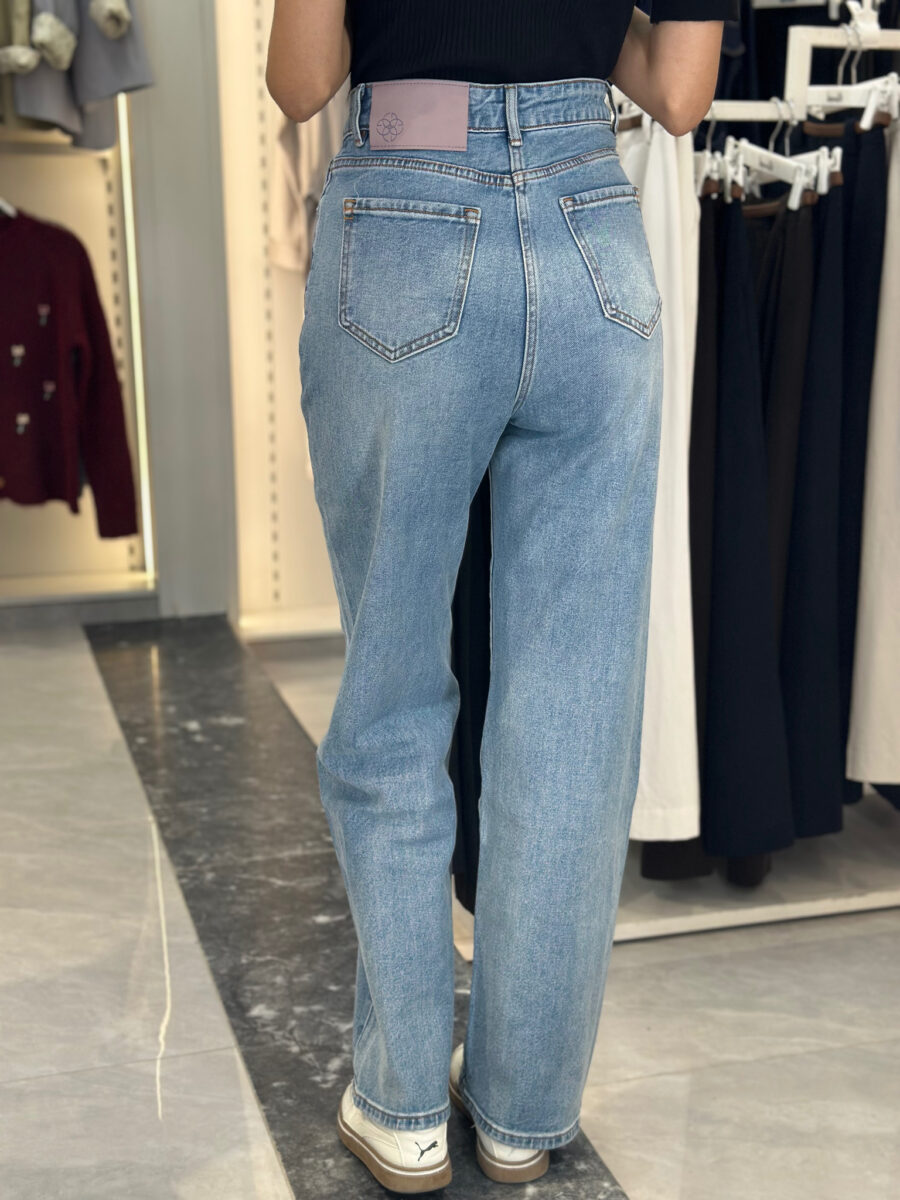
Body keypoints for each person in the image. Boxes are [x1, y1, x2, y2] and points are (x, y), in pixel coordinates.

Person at [267, 1, 737, 1192]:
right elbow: (678, 91)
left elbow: (302, 79)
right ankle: (525, 1112)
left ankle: (404, 1107)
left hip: (410, 216)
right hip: (592, 226)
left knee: (391, 700)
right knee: (571, 717)